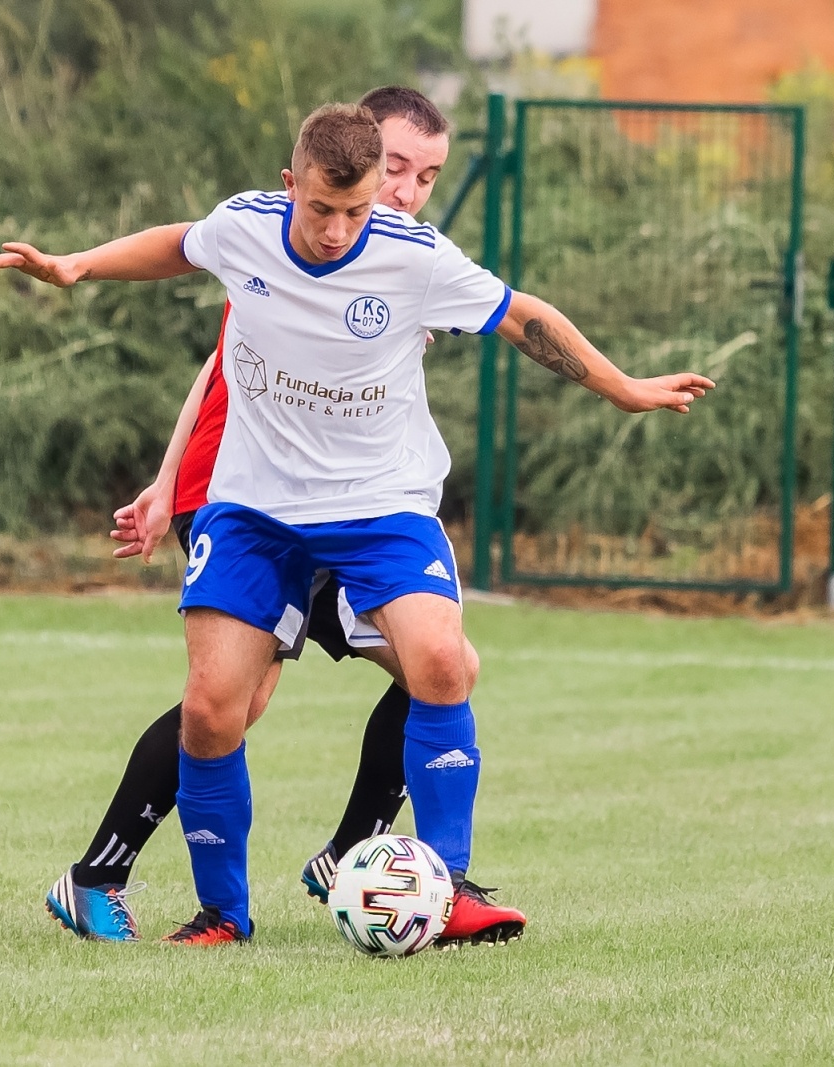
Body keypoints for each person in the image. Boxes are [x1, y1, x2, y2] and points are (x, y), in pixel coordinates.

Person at [0, 102, 712, 946]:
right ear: (290, 185)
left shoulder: (417, 257)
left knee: (441, 660)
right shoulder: (247, 229)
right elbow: (180, 243)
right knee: (216, 708)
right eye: (322, 209)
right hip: (255, 510)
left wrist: (622, 385)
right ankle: (223, 914)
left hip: (380, 507)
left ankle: (444, 891)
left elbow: (520, 314)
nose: (338, 231)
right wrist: (76, 266)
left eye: (359, 210)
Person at [30, 87, 515, 948]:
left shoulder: (394, 248)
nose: (406, 191)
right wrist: (170, 476)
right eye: (396, 167)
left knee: (434, 662)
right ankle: (113, 872)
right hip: (248, 485)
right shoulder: (282, 235)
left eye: (424, 177)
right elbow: (223, 356)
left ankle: (354, 856)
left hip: (338, 497)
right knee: (234, 697)